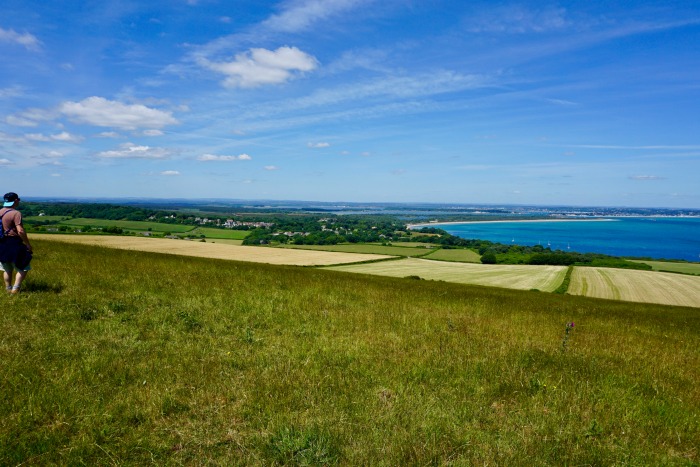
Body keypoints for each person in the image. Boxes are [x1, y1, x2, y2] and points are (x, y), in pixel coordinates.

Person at [0, 192, 33, 295]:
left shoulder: (0, 211)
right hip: (14, 242)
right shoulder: (16, 213)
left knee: (6, 268)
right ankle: (15, 289)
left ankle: (8, 288)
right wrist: (27, 243)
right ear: (15, 201)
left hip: (1, 243)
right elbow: (20, 231)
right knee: (23, 266)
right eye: (18, 199)